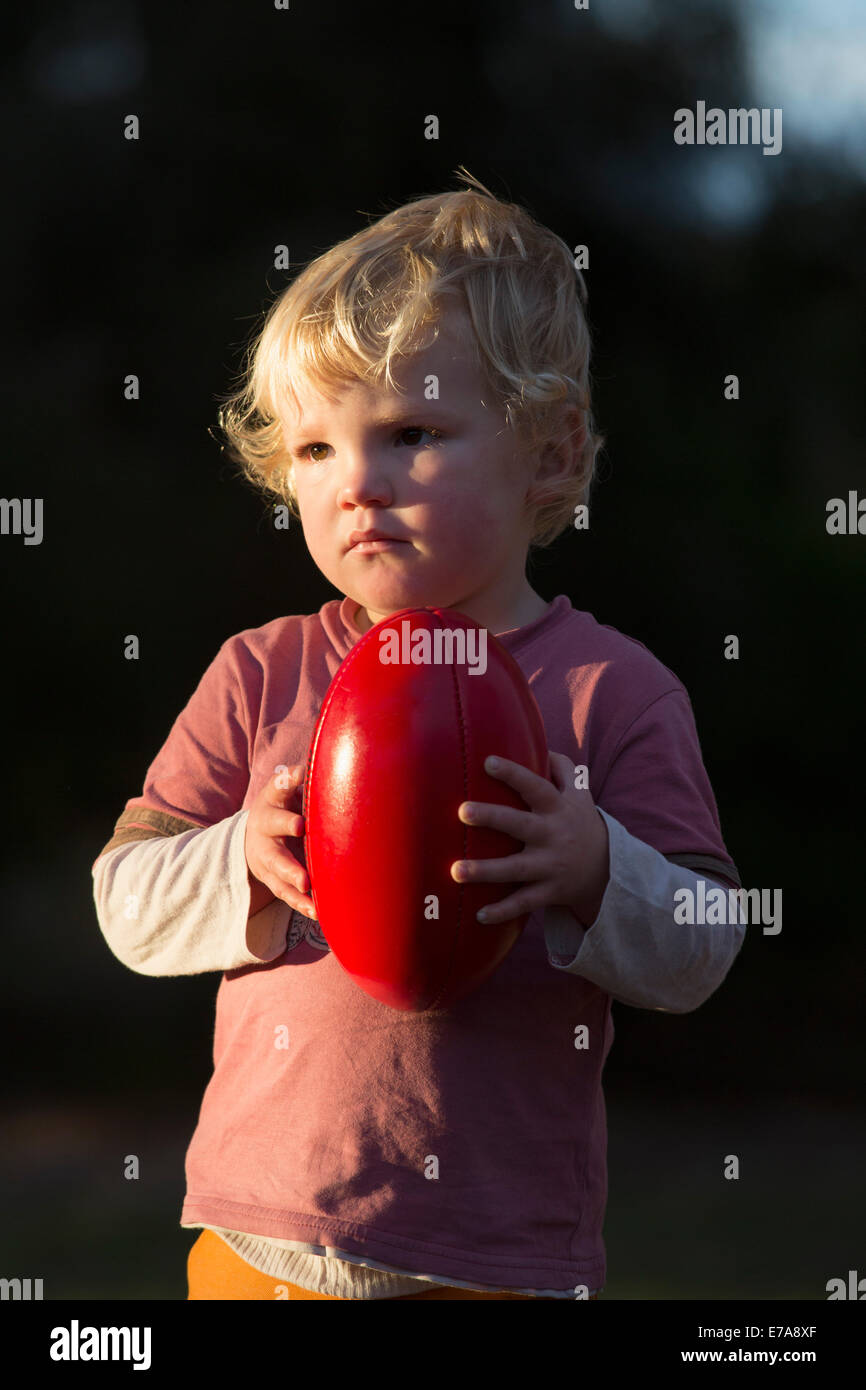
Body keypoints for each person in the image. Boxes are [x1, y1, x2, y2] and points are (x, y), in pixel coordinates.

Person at [91, 169, 744, 1300]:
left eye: (409, 433)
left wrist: (596, 866)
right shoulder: (262, 674)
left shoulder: (611, 690)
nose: (357, 485)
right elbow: (124, 900)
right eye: (314, 451)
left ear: (548, 450)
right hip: (265, 1244)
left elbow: (701, 943)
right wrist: (235, 855)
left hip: (498, 1262)